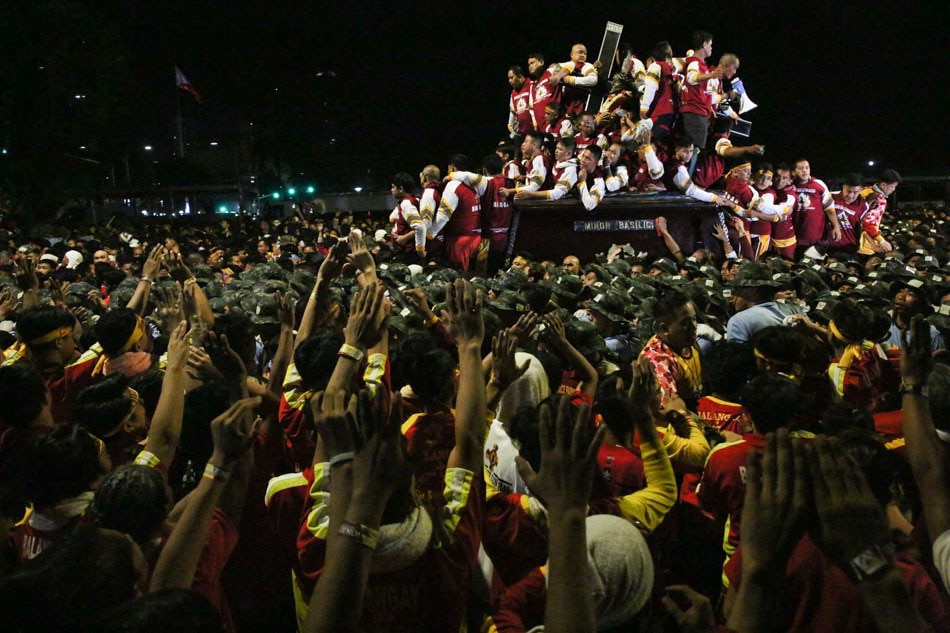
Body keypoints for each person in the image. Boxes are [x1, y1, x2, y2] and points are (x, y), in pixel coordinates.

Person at [725, 262, 804, 343]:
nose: (733, 297)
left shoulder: (739, 321)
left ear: (752, 290)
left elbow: (736, 355)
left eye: (736, 290)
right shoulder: (795, 310)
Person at [680, 31, 722, 172]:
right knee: (692, 149)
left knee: (694, 149)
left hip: (699, 111)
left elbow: (702, 92)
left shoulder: (701, 65)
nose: (711, 48)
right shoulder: (694, 63)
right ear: (704, 45)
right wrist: (711, 75)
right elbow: (691, 78)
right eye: (710, 45)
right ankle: (686, 182)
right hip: (695, 111)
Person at [792, 158, 841, 255]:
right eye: (801, 168)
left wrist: (836, 226)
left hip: (816, 237)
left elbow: (829, 208)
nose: (805, 171)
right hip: (793, 237)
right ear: (793, 172)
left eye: (807, 167)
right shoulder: (789, 185)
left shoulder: (818, 184)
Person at [514, 137, 577, 202]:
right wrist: (525, 177)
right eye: (556, 148)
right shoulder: (558, 162)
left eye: (560, 149)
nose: (556, 151)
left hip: (564, 204)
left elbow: (557, 194)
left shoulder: (570, 170)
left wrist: (530, 194)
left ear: (569, 154)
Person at [640, 41, 678, 141]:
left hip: (659, 112)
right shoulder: (674, 71)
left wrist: (644, 106)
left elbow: (651, 86)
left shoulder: (656, 66)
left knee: (649, 144)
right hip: (671, 114)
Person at [857, 169, 901, 255]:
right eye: (893, 186)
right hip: (862, 246)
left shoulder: (862, 190)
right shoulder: (878, 199)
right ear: (884, 185)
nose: (893, 190)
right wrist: (882, 241)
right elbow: (867, 223)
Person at [549, 43, 598, 116]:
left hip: (576, 109)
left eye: (585, 53)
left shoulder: (587, 66)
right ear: (572, 54)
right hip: (559, 105)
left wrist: (571, 80)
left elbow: (593, 80)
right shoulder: (563, 65)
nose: (583, 55)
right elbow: (548, 73)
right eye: (580, 52)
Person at [826, 172, 869, 253]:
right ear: (843, 187)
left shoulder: (864, 206)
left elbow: (859, 228)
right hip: (828, 246)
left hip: (849, 247)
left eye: (855, 192)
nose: (850, 195)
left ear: (861, 190)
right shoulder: (830, 197)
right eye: (848, 191)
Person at [388, 172, 425, 260]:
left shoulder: (407, 204)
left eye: (393, 187)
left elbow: (420, 226)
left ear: (401, 188)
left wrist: (404, 238)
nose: (391, 190)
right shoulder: (405, 202)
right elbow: (392, 218)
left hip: (409, 254)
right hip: (405, 252)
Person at [576, 146, 607, 212]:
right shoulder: (575, 167)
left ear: (596, 162)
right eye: (583, 156)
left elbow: (590, 205)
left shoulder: (599, 180)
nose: (583, 160)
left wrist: (582, 182)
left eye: (588, 158)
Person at [507, 65, 534, 137]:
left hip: (535, 131)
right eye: (509, 78)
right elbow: (512, 114)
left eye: (511, 78)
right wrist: (512, 130)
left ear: (520, 77)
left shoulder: (532, 86)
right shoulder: (513, 93)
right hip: (522, 134)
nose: (509, 81)